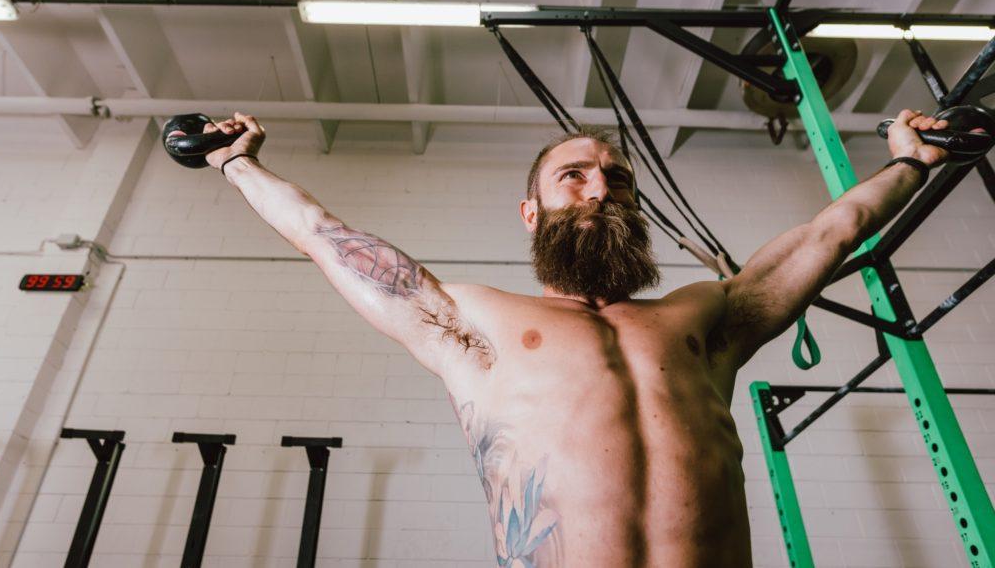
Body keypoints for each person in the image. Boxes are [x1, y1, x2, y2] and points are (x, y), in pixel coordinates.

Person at [201, 109, 953, 567]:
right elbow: (326, 238)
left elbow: (829, 233)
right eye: (575, 176)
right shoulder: (476, 323)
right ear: (531, 211)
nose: (600, 188)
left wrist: (910, 164)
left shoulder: (702, 320)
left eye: (617, 180)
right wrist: (237, 164)